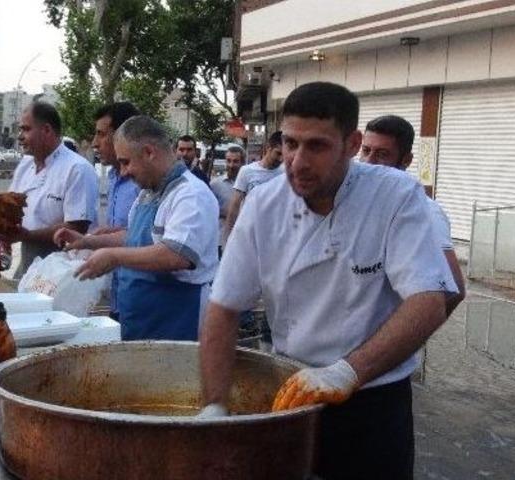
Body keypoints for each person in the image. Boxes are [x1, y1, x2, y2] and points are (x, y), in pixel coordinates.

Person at [199, 82, 457, 479]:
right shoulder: (264, 205)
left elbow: (428, 301)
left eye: (316, 146)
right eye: (290, 144)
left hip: (374, 400)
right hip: (292, 392)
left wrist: (346, 372)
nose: (298, 162)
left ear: (352, 144)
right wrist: (215, 406)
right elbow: (224, 307)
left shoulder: (394, 195)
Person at [54, 116, 219, 341]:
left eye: (125, 162)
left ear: (149, 152)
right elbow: (134, 237)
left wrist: (114, 257)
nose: (123, 172)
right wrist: (88, 241)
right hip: (141, 320)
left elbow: (176, 255)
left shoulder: (191, 195)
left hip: (177, 321)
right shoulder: (147, 193)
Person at [360, 115, 466, 317]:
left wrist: (405, 333)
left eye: (382, 154)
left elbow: (454, 289)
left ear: (406, 160)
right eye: (365, 151)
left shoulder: (423, 210)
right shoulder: (358, 202)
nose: (369, 162)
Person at [6, 102, 98, 279]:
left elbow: (76, 227)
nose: (20, 136)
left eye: (26, 129)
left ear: (46, 130)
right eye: (20, 130)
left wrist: (27, 235)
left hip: (63, 265)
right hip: (28, 257)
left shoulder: (77, 168)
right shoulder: (25, 166)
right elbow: (10, 206)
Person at [91, 101, 142, 319]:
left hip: (140, 300)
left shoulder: (144, 183)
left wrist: (89, 242)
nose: (95, 143)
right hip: (118, 294)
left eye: (101, 134)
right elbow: (124, 231)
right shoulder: (112, 177)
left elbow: (145, 239)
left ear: (122, 136)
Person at [223, 130, 283, 240]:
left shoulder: (285, 173)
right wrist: (228, 238)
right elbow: (235, 206)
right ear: (268, 148)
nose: (281, 159)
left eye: (284, 154)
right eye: (278, 153)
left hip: (275, 235)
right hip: (248, 233)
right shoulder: (247, 171)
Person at [209, 145, 244, 251]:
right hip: (220, 240)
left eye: (235, 161)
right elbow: (208, 211)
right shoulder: (215, 184)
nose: (231, 165)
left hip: (242, 240)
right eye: (228, 161)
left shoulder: (248, 185)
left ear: (242, 162)